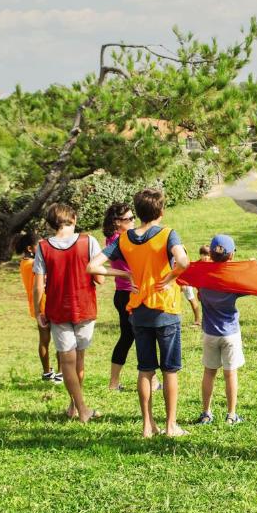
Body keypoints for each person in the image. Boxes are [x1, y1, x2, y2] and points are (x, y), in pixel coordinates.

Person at [88, 188, 190, 438]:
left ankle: (147, 425)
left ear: (139, 213)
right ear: (161, 211)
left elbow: (92, 266)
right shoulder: (167, 234)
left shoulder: (124, 239)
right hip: (165, 310)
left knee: (145, 369)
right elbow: (185, 262)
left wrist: (125, 274)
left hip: (139, 312)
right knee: (170, 370)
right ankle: (170, 426)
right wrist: (170, 276)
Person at [33, 203, 104, 423]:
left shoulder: (43, 247)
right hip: (84, 307)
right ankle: (81, 409)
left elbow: (38, 286)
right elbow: (99, 278)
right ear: (73, 219)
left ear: (51, 224)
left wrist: (38, 311)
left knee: (67, 362)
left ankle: (76, 406)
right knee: (78, 359)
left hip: (57, 310)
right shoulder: (88, 241)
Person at [103, 203, 159, 393]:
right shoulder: (120, 240)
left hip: (125, 293)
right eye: (128, 219)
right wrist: (125, 274)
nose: (133, 221)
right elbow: (100, 266)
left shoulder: (114, 238)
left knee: (128, 337)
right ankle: (151, 381)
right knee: (142, 335)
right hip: (129, 294)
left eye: (133, 217)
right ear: (117, 222)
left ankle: (114, 382)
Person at [195, 234, 249, 426]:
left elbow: (199, 295)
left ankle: (206, 413)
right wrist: (248, 266)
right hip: (230, 334)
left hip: (210, 333)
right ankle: (231, 415)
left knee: (209, 373)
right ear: (232, 256)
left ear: (210, 253)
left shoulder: (204, 278)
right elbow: (252, 284)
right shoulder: (232, 281)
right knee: (230, 373)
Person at [16, 232, 60, 383]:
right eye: (40, 245)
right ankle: (61, 373)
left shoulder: (24, 263)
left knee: (44, 340)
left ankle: (47, 372)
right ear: (30, 248)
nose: (43, 248)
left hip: (36, 306)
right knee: (60, 340)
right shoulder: (34, 264)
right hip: (48, 303)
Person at [187, 245, 212, 327]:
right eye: (204, 255)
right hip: (202, 291)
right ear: (200, 255)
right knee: (205, 307)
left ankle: (211, 322)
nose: (206, 257)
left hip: (212, 290)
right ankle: (205, 322)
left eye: (208, 255)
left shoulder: (213, 263)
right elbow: (189, 271)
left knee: (212, 307)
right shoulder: (197, 264)